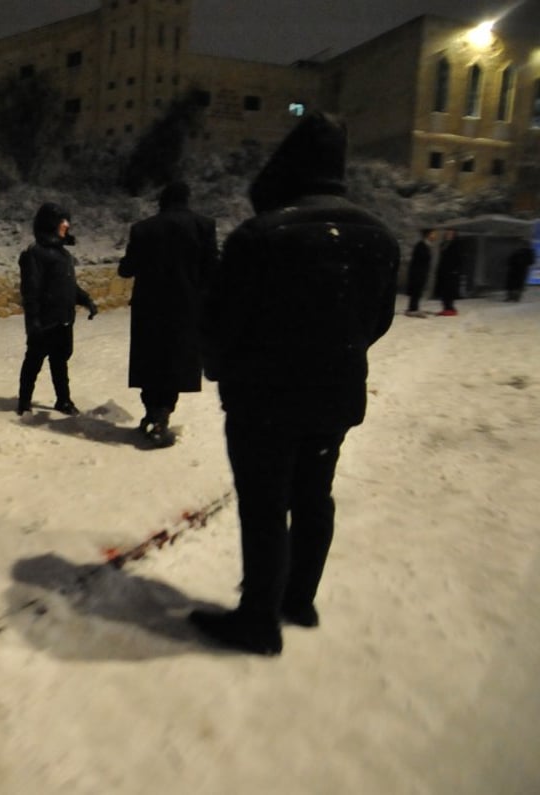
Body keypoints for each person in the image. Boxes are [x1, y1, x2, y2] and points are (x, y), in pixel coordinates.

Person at [193, 111, 399, 655]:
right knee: (314, 495)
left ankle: (258, 619)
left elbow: (220, 321)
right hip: (335, 396)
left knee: (264, 503)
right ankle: (299, 601)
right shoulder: (379, 238)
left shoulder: (262, 235)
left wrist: (220, 366)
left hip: (265, 397)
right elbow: (378, 320)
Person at [118, 181, 218, 446]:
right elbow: (211, 270)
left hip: (149, 308)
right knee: (175, 360)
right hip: (186, 308)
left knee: (150, 360)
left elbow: (127, 269)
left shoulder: (143, 229)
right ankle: (162, 412)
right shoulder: (204, 226)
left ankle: (153, 411)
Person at [16, 202, 98, 416]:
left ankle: (63, 400)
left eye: (66, 221)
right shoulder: (36, 253)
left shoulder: (63, 254)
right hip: (44, 320)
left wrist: (85, 299)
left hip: (63, 318)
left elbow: (67, 285)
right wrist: (33, 319)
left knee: (60, 362)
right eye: (62, 221)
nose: (66, 225)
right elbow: (31, 290)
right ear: (50, 224)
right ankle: (24, 400)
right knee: (33, 361)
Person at [404, 227, 436, 318]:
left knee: (418, 291)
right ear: (428, 235)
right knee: (416, 290)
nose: (434, 236)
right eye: (433, 234)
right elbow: (420, 260)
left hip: (421, 272)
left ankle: (414, 307)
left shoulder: (426, 245)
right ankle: (412, 309)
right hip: (417, 273)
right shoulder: (421, 245)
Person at [436, 230, 461, 316]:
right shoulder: (444, 244)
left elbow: (458, 258)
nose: (448, 235)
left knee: (449, 290)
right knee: (443, 290)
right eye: (447, 234)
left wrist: (455, 269)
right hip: (444, 271)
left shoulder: (456, 245)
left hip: (451, 272)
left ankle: (450, 307)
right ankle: (445, 307)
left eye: (450, 234)